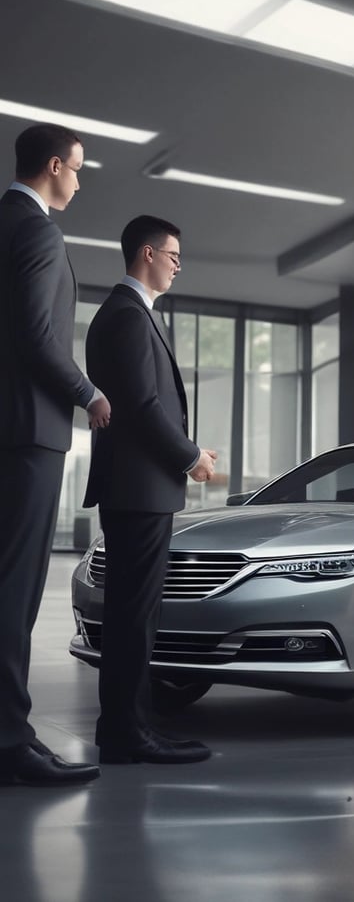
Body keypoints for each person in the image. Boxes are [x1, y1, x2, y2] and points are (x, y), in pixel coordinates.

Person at [83, 214, 217, 764]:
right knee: (134, 619)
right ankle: (128, 734)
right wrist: (191, 458)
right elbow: (142, 407)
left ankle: (124, 728)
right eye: (172, 255)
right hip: (140, 490)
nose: (178, 265)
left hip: (136, 490)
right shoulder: (129, 316)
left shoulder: (124, 314)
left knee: (132, 616)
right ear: (146, 254)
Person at [0, 123, 110, 786]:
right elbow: (39, 339)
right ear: (51, 166)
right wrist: (89, 393)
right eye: (76, 167)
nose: (78, 178)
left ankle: (10, 732)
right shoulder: (38, 229)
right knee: (14, 593)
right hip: (28, 432)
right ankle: (11, 743)